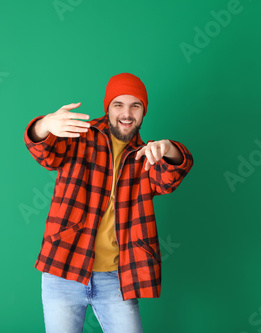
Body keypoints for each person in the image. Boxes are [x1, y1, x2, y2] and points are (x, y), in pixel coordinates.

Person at [24, 73, 194, 333]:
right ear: (108, 108)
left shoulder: (147, 155)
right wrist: (44, 125)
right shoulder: (79, 136)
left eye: (135, 106)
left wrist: (169, 148)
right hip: (64, 271)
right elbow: (44, 152)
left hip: (116, 279)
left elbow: (169, 178)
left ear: (143, 112)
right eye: (119, 105)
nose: (127, 114)